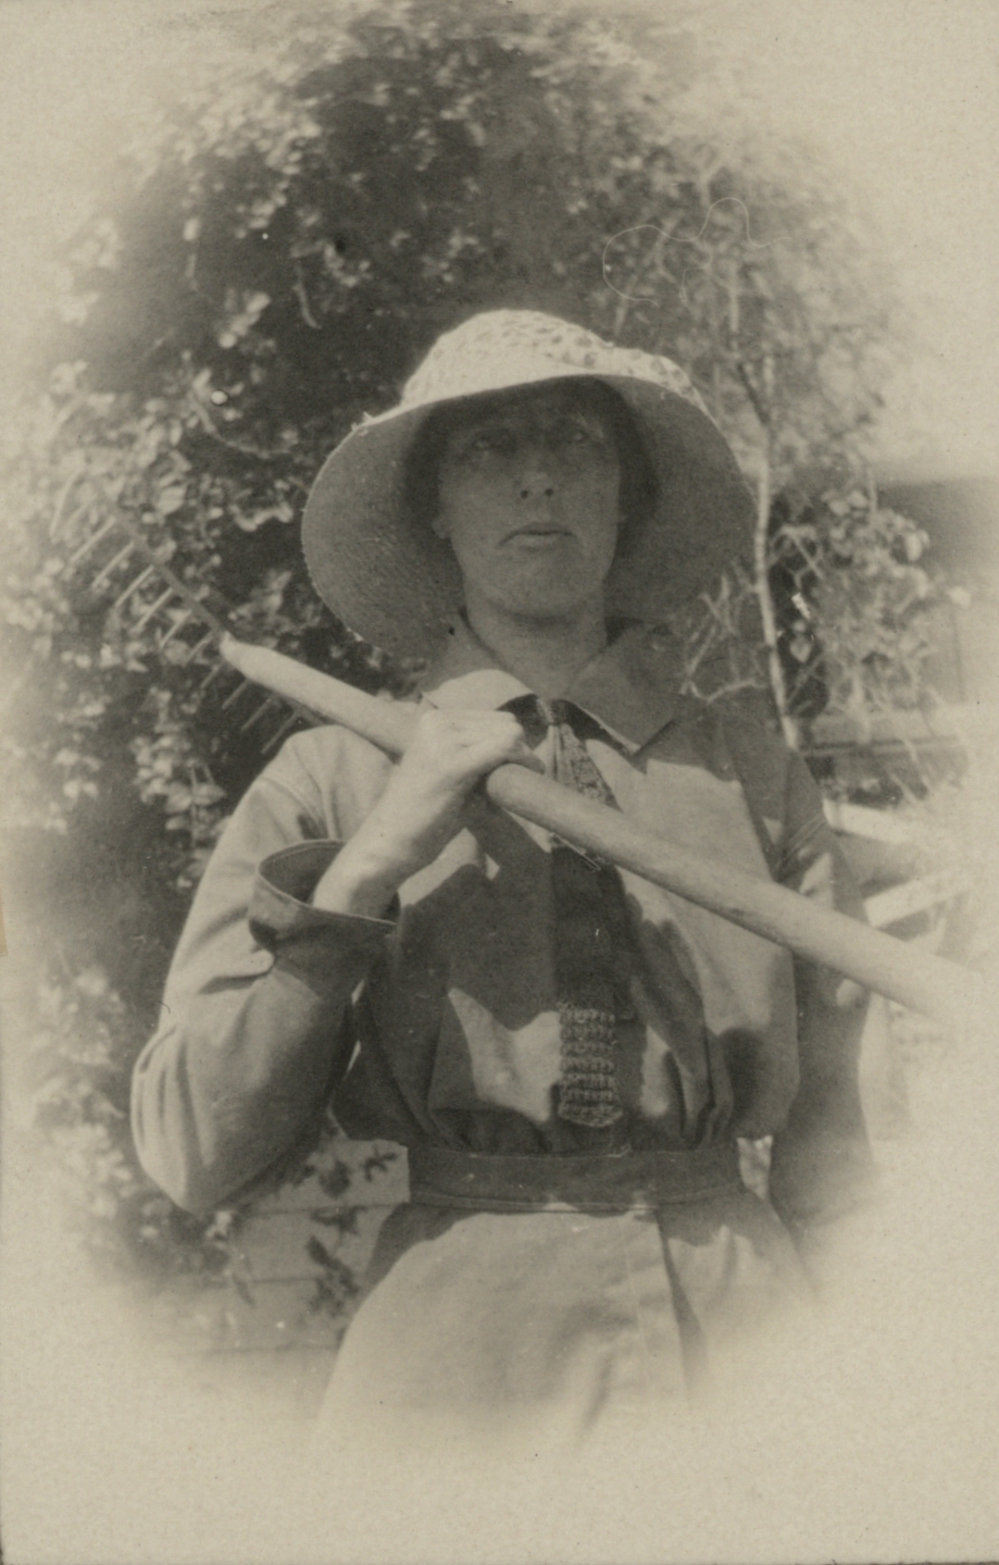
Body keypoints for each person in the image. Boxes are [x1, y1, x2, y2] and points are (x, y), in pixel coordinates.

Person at [131, 310, 873, 1452]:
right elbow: (191, 1149)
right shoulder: (333, 775)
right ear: (434, 504)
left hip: (744, 1342)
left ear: (627, 493)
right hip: (456, 1367)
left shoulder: (748, 771)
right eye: (487, 447)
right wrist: (376, 857)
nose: (536, 476)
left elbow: (833, 1144)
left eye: (575, 440)